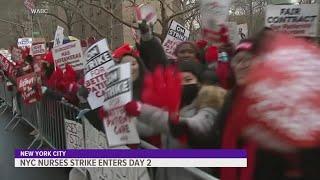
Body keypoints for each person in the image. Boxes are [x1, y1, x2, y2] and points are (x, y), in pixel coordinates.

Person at [123, 60, 226, 180]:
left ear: (199, 82)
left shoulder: (209, 106)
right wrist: (120, 117)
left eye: (188, 80)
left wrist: (142, 110)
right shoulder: (175, 107)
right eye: (178, 80)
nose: (182, 84)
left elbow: (194, 127)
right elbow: (146, 128)